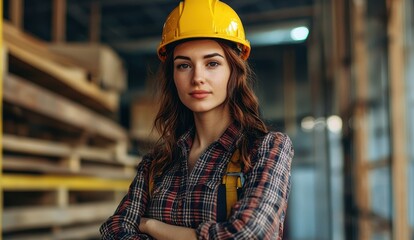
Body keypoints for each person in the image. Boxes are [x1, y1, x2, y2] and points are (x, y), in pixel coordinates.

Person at [100, 0, 293, 239]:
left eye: (212, 63)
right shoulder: (156, 164)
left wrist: (152, 226)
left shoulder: (266, 149)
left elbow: (247, 235)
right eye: (184, 65)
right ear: (173, 76)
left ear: (234, 70)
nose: (197, 77)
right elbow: (114, 231)